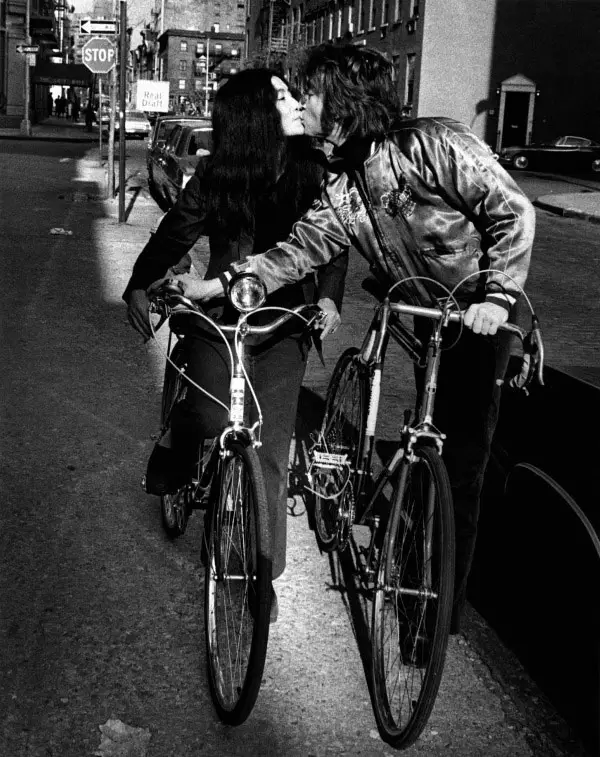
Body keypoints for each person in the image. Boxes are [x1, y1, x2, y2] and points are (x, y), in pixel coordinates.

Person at [164, 44, 536, 635]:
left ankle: (433, 621)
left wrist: (496, 297)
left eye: (307, 94)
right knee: (427, 441)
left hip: (482, 313)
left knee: (462, 468)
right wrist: (226, 282)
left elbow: (512, 209)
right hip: (422, 307)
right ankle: (406, 527)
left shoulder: (431, 145)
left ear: (338, 101)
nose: (300, 105)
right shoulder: (344, 182)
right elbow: (302, 247)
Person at [124, 68, 348, 620]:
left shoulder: (313, 171)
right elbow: (176, 230)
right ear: (253, 115)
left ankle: (260, 574)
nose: (295, 102)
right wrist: (137, 283)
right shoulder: (217, 174)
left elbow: (334, 244)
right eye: (281, 97)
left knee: (270, 454)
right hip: (217, 315)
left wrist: (330, 299)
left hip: (282, 322)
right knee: (205, 413)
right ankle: (178, 441)